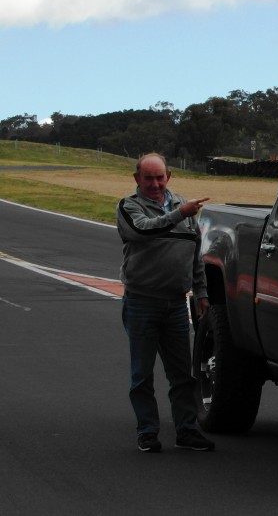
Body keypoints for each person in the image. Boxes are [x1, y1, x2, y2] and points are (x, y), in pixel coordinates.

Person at [116, 153, 215, 453]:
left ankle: (186, 430)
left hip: (175, 304)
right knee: (142, 374)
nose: (155, 184)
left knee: (182, 374)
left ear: (168, 176)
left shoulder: (184, 207)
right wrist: (179, 214)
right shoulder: (129, 206)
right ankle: (147, 431)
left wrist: (201, 291)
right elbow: (142, 230)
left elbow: (196, 252)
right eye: (148, 178)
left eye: (160, 177)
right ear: (137, 179)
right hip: (142, 302)